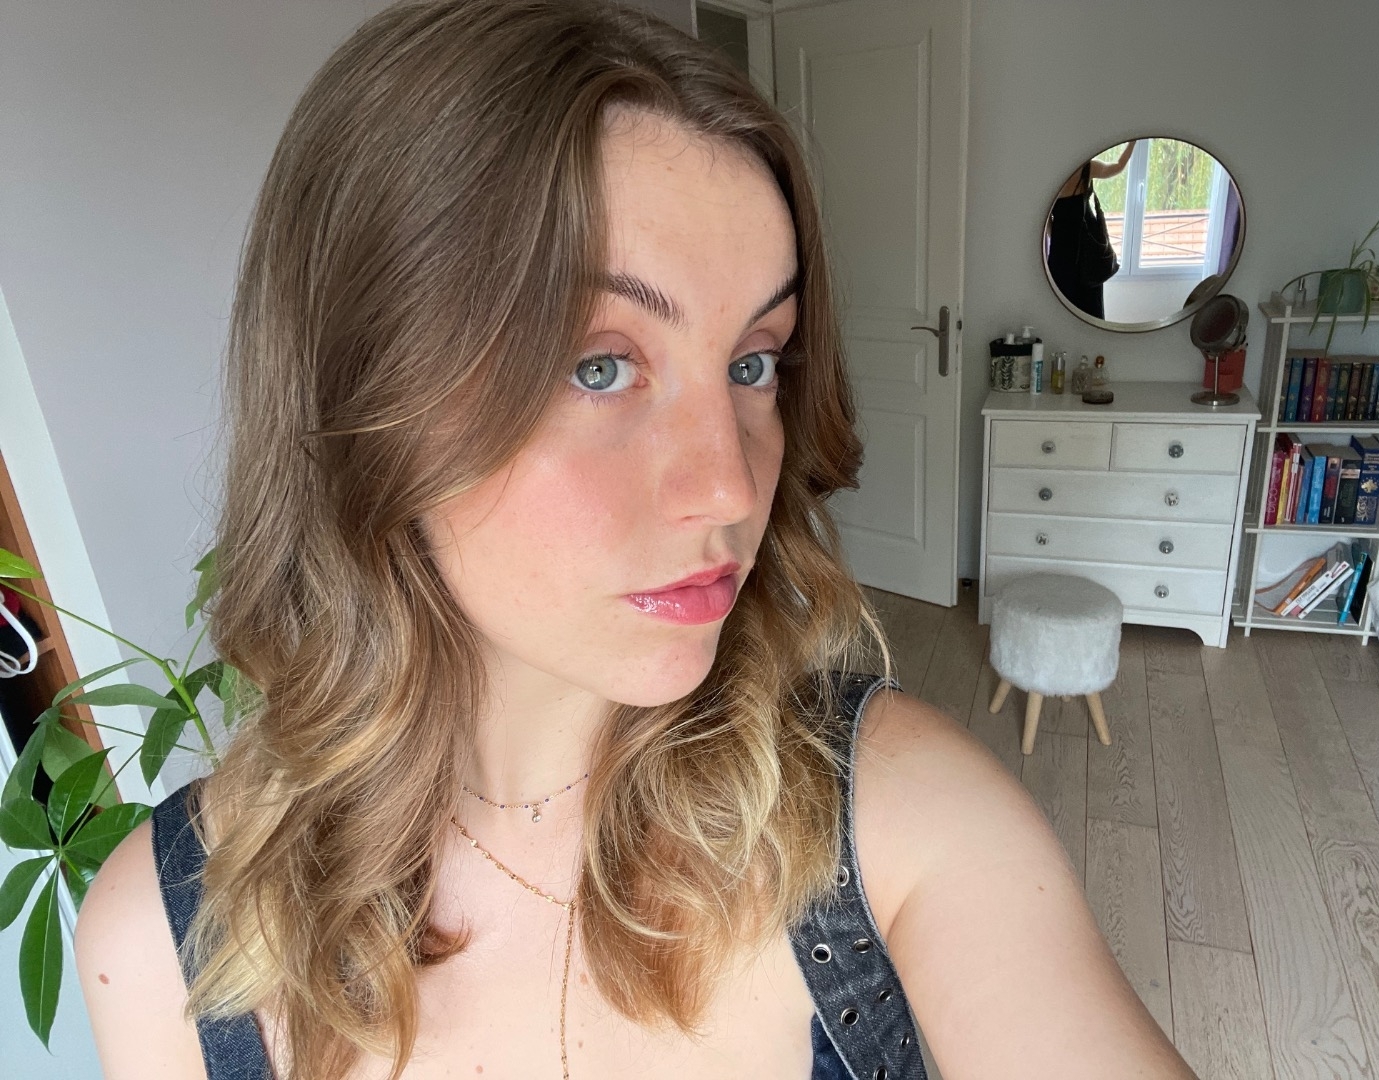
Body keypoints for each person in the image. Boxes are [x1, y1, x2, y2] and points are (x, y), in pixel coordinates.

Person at [74, 4, 1198, 1078]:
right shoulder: (165, 944)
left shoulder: (897, 815)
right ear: (363, 394)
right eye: (598, 364)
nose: (730, 486)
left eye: (752, 361)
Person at [1047, 139, 1136, 320]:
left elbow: (1046, 221)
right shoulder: (1086, 168)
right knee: (1089, 309)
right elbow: (1118, 166)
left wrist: (1054, 236)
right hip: (1085, 249)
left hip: (1062, 248)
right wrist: (1132, 142)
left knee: (1062, 305)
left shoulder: (1051, 173)